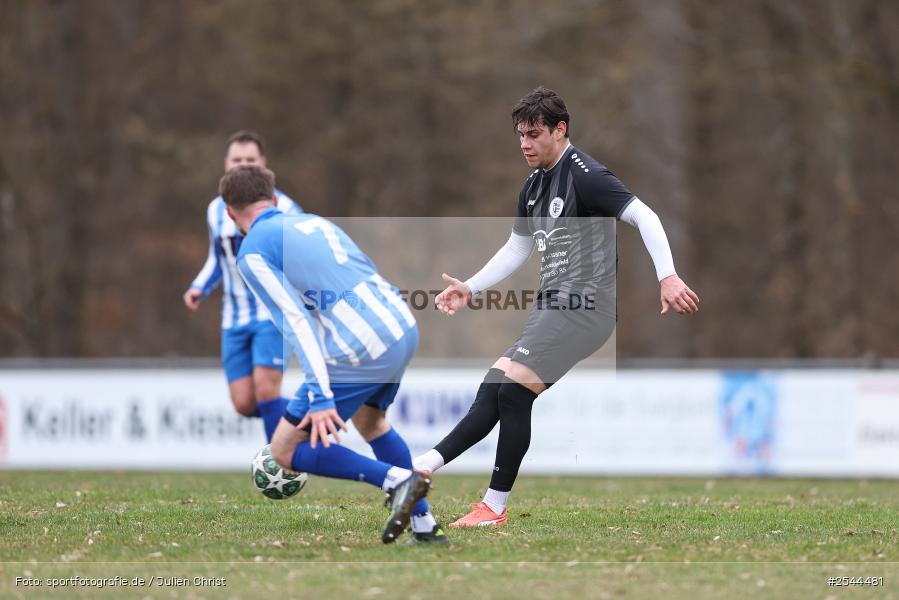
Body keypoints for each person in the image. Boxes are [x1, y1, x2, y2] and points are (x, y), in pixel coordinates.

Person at [414, 87, 700, 527]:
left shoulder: (586, 175)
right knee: (495, 388)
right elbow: (516, 248)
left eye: (533, 134)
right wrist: (470, 287)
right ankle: (423, 468)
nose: (525, 144)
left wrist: (668, 275)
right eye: (520, 135)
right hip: (554, 306)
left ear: (560, 130)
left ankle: (488, 505)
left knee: (512, 392)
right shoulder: (532, 186)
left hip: (585, 307)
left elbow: (646, 216)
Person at [220, 165, 444, 544]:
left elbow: (295, 323)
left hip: (360, 345)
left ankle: (397, 479)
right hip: (401, 323)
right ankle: (425, 527)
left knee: (285, 449)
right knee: (371, 423)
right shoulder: (313, 223)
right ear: (274, 200)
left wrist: (321, 395)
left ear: (229, 212)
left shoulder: (252, 252)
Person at [183, 131, 302, 442]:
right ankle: (313, 415)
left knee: (266, 389)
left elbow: (300, 261)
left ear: (263, 164)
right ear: (226, 164)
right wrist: (199, 287)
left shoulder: (286, 208)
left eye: (250, 160)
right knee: (244, 402)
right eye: (237, 160)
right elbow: (217, 258)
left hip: (271, 314)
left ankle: (277, 462)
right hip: (233, 317)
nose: (243, 165)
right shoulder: (215, 210)